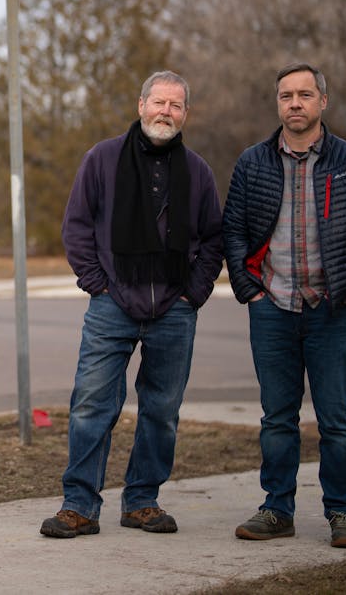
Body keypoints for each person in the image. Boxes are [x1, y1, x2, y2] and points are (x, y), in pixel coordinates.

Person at [41, 70, 224, 539]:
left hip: (174, 309)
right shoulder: (102, 159)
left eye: (176, 106)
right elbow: (76, 226)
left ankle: (142, 501)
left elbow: (212, 238)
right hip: (111, 305)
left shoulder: (198, 171)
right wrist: (97, 284)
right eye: (158, 102)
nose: (166, 112)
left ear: (185, 114)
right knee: (90, 404)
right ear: (140, 105)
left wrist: (193, 293)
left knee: (161, 410)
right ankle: (79, 505)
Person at [222, 63, 346, 549]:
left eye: (304, 94)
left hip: (332, 311)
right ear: (277, 103)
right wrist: (248, 290)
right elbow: (232, 229)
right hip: (271, 308)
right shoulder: (253, 162)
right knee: (277, 418)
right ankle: (277, 509)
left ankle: (343, 512)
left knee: (337, 418)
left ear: (322, 101)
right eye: (285, 96)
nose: (294, 103)